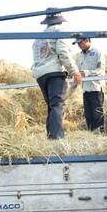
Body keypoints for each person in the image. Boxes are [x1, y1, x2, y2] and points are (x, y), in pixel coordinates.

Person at [31, 8, 82, 139]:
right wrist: (74, 71)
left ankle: (50, 136)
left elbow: (37, 58)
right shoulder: (60, 30)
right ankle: (56, 138)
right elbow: (63, 52)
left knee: (52, 106)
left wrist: (60, 74)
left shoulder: (38, 38)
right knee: (58, 105)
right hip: (53, 71)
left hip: (41, 74)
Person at [73, 38, 106, 131]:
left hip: (96, 88)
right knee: (88, 115)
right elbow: (79, 74)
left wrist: (86, 73)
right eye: (77, 43)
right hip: (85, 89)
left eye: (80, 42)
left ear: (87, 40)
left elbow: (101, 70)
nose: (78, 45)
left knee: (97, 114)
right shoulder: (81, 56)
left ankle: (100, 134)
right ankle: (91, 134)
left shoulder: (97, 52)